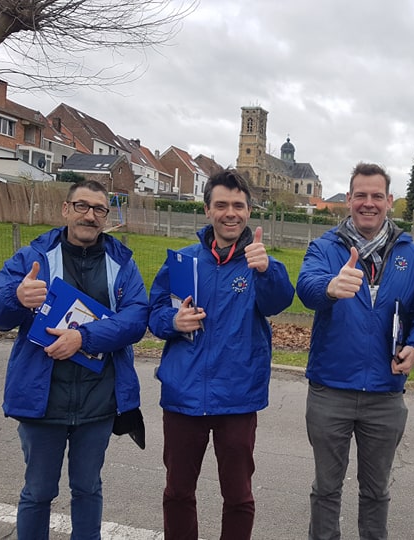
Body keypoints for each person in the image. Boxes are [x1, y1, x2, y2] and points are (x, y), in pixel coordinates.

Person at [0, 179, 149, 539]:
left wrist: (82, 338)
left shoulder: (121, 263)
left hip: (98, 401)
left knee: (88, 489)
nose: (90, 215)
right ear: (66, 210)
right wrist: (17, 295)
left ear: (106, 216)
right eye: (82, 206)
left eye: (98, 209)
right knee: (38, 492)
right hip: (43, 401)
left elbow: (136, 319)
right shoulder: (34, 257)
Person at [297, 162, 414, 540]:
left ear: (389, 201)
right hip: (331, 390)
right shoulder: (325, 248)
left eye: (377, 195)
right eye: (360, 195)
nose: (368, 203)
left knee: (376, 492)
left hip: (385, 394)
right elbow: (307, 287)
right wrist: (330, 287)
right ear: (348, 199)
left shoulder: (412, 255)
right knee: (326, 489)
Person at [148, 169, 295, 540]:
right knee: (178, 492)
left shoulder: (260, 263)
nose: (231, 213)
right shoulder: (182, 261)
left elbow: (279, 302)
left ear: (249, 211)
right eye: (222, 205)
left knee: (239, 497)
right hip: (183, 396)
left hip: (238, 397)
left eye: (239, 205)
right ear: (207, 209)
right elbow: (154, 313)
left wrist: (267, 271)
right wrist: (172, 321)